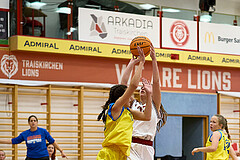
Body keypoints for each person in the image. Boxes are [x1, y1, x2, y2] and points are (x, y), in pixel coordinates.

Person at [97, 46, 152, 160]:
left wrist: (149, 95)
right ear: (122, 97)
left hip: (123, 155)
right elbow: (132, 86)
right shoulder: (115, 108)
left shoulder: (128, 112)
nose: (131, 98)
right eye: (129, 96)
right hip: (109, 154)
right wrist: (141, 63)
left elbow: (147, 117)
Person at [122, 44, 167, 160]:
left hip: (147, 148)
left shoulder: (154, 106)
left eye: (146, 86)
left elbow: (156, 82)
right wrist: (132, 64)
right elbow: (122, 86)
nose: (142, 87)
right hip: (131, 145)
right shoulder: (133, 104)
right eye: (141, 87)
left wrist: (154, 60)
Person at [0, 115, 67, 160]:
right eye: (31, 121)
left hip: (43, 157)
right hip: (31, 157)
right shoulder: (25, 134)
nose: (33, 122)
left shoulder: (43, 131)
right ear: (29, 123)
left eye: (34, 120)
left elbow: (52, 141)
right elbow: (13, 141)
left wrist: (61, 151)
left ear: (37, 122)